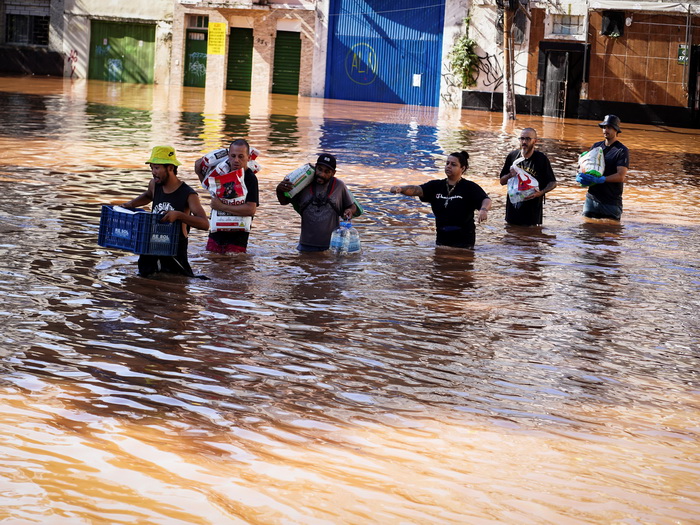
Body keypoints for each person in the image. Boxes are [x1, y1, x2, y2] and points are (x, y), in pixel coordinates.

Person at [121, 146, 209, 277]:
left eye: (156, 168)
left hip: (174, 257)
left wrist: (179, 215)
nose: (153, 172)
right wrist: (131, 204)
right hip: (150, 250)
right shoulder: (154, 185)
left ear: (170, 168)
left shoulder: (188, 194)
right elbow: (148, 195)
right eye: (151, 168)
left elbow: (205, 224)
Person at [390, 151, 491, 249]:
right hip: (442, 239)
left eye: (453, 164)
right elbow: (418, 190)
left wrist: (483, 210)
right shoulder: (436, 186)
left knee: (462, 265)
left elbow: (486, 199)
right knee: (439, 264)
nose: (448, 166)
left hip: (464, 242)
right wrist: (401, 189)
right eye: (447, 163)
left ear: (462, 168)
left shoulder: (469, 187)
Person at [276, 153, 357, 252]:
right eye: (319, 169)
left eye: (327, 172)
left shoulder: (339, 186)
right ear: (315, 167)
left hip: (332, 247)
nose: (322, 174)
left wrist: (349, 211)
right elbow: (283, 202)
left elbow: (352, 206)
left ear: (333, 173)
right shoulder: (303, 183)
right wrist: (279, 190)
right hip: (305, 245)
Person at [194, 139, 259, 253]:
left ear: (248, 158)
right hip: (216, 233)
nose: (236, 160)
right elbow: (211, 189)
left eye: (241, 156)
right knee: (212, 263)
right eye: (233, 156)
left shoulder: (250, 178)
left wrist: (222, 207)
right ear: (228, 156)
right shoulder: (222, 172)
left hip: (237, 237)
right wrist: (199, 173)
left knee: (234, 264)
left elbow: (251, 209)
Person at [498, 127, 557, 226]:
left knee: (531, 237)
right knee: (510, 236)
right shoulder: (512, 156)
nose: (524, 142)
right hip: (512, 211)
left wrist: (541, 193)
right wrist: (509, 175)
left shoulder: (541, 159)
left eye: (528, 139)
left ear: (535, 141)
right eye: (522, 138)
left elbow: (553, 183)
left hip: (532, 213)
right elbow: (501, 181)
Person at [579, 115, 629, 220]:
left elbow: (621, 176)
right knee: (585, 232)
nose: (605, 130)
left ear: (616, 130)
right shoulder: (596, 147)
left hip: (611, 203)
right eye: (604, 127)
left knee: (610, 233)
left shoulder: (621, 150)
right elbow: (586, 166)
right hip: (591, 200)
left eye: (609, 127)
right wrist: (581, 174)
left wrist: (602, 179)